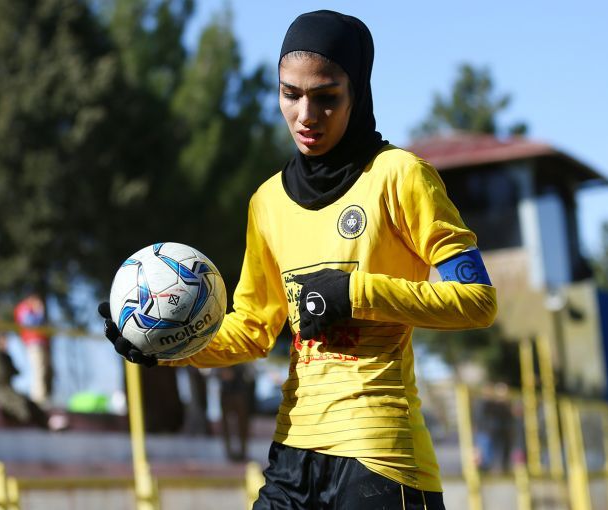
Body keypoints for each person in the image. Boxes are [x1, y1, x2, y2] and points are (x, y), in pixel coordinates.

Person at [100, 9, 496, 508]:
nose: (306, 115)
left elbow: (477, 300)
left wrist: (354, 292)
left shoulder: (400, 176)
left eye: (326, 97)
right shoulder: (267, 202)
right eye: (290, 94)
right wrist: (169, 345)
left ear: (357, 93)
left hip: (380, 456)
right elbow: (252, 329)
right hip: (292, 456)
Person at [0, 332, 68, 431]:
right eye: (2, 339)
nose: (5, 342)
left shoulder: (6, 356)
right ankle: (42, 423)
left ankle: (48, 423)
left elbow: (16, 372)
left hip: (8, 391)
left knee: (29, 402)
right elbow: (1, 375)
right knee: (20, 405)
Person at [13, 293, 53, 407]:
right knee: (38, 370)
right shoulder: (25, 308)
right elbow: (30, 323)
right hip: (34, 343)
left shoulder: (28, 309)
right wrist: (39, 311)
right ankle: (38, 399)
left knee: (42, 370)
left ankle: (41, 397)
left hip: (39, 342)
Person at [217, 363, 255, 462]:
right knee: (226, 423)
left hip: (240, 391)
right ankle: (229, 450)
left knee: (242, 423)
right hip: (227, 391)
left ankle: (243, 450)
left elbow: (250, 373)